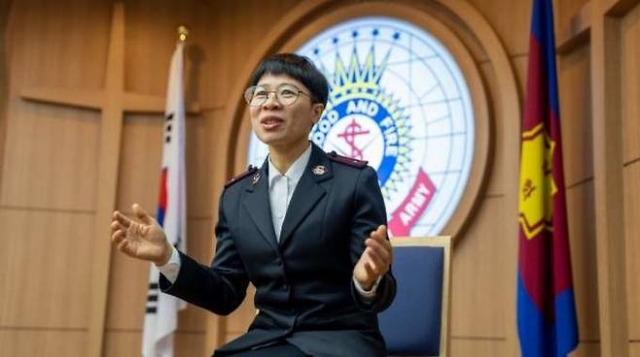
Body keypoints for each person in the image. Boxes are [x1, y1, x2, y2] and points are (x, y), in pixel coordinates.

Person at [110, 53, 396, 357]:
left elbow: (381, 290)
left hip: (339, 342)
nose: (269, 103)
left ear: (316, 112)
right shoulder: (237, 196)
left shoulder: (352, 181)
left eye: (287, 93)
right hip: (267, 341)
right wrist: (167, 257)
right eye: (260, 94)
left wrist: (368, 281)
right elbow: (225, 292)